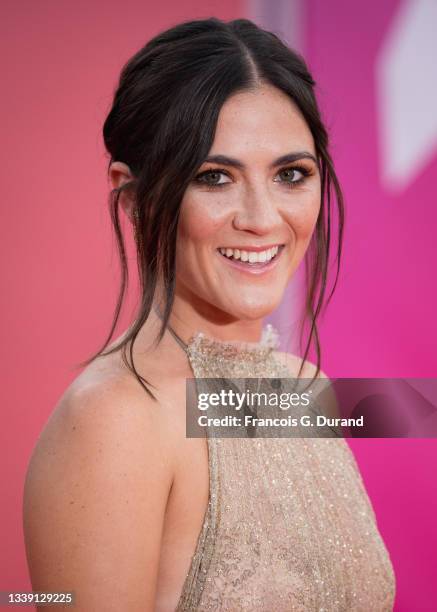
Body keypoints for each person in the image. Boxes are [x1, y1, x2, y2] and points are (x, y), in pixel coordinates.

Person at [23, 17, 395, 611]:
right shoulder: (116, 418)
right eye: (214, 177)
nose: (262, 217)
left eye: (290, 175)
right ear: (133, 196)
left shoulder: (304, 388)